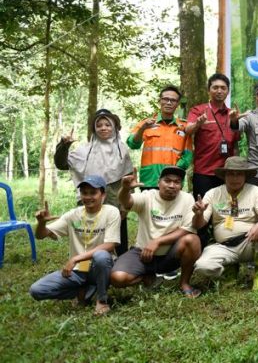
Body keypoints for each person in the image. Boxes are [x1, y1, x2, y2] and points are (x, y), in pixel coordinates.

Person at [29, 175, 120, 316]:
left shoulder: (111, 212)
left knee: (101, 256)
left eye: (93, 192)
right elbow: (41, 235)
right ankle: (82, 291)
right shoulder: (73, 215)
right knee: (36, 290)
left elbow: (109, 245)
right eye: (84, 192)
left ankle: (102, 300)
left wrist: (76, 259)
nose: (88, 197)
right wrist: (42, 223)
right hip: (78, 271)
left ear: (103, 194)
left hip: (100, 267)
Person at [110, 167, 202, 298]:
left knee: (193, 240)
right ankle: (146, 277)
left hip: (170, 255)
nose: (172, 185)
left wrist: (158, 241)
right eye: (167, 181)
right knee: (117, 278)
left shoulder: (187, 198)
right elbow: (127, 202)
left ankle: (184, 283)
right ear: (159, 182)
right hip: (143, 253)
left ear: (181, 185)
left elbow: (187, 229)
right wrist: (125, 189)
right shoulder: (148, 196)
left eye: (177, 182)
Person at [55, 108, 134, 255]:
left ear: (114, 127)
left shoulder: (122, 149)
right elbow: (61, 164)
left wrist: (125, 207)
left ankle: (120, 269)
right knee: (90, 236)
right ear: (94, 129)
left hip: (115, 203)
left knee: (118, 238)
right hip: (91, 200)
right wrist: (64, 146)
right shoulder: (84, 150)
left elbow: (129, 179)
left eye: (107, 124)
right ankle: (88, 266)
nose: (103, 128)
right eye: (99, 125)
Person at [192, 157, 258, 290]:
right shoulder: (213, 193)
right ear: (224, 176)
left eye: (239, 174)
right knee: (203, 266)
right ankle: (229, 271)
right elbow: (199, 225)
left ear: (245, 176)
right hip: (224, 246)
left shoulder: (255, 191)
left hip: (249, 241)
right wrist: (198, 214)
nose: (234, 178)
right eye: (230, 173)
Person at [185, 73, 240, 201]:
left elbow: (235, 145)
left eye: (223, 88)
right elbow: (188, 130)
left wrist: (236, 169)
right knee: (203, 210)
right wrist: (198, 123)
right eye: (215, 87)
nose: (219, 91)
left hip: (227, 173)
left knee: (226, 211)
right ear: (208, 90)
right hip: (204, 172)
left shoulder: (232, 114)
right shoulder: (198, 110)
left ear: (228, 91)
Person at [126, 85, 193, 190]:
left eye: (173, 100)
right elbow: (132, 144)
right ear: (159, 101)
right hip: (150, 179)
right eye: (166, 99)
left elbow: (188, 154)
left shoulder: (183, 127)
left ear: (178, 104)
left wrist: (176, 169)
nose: (169, 102)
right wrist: (142, 129)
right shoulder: (146, 123)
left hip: (173, 182)